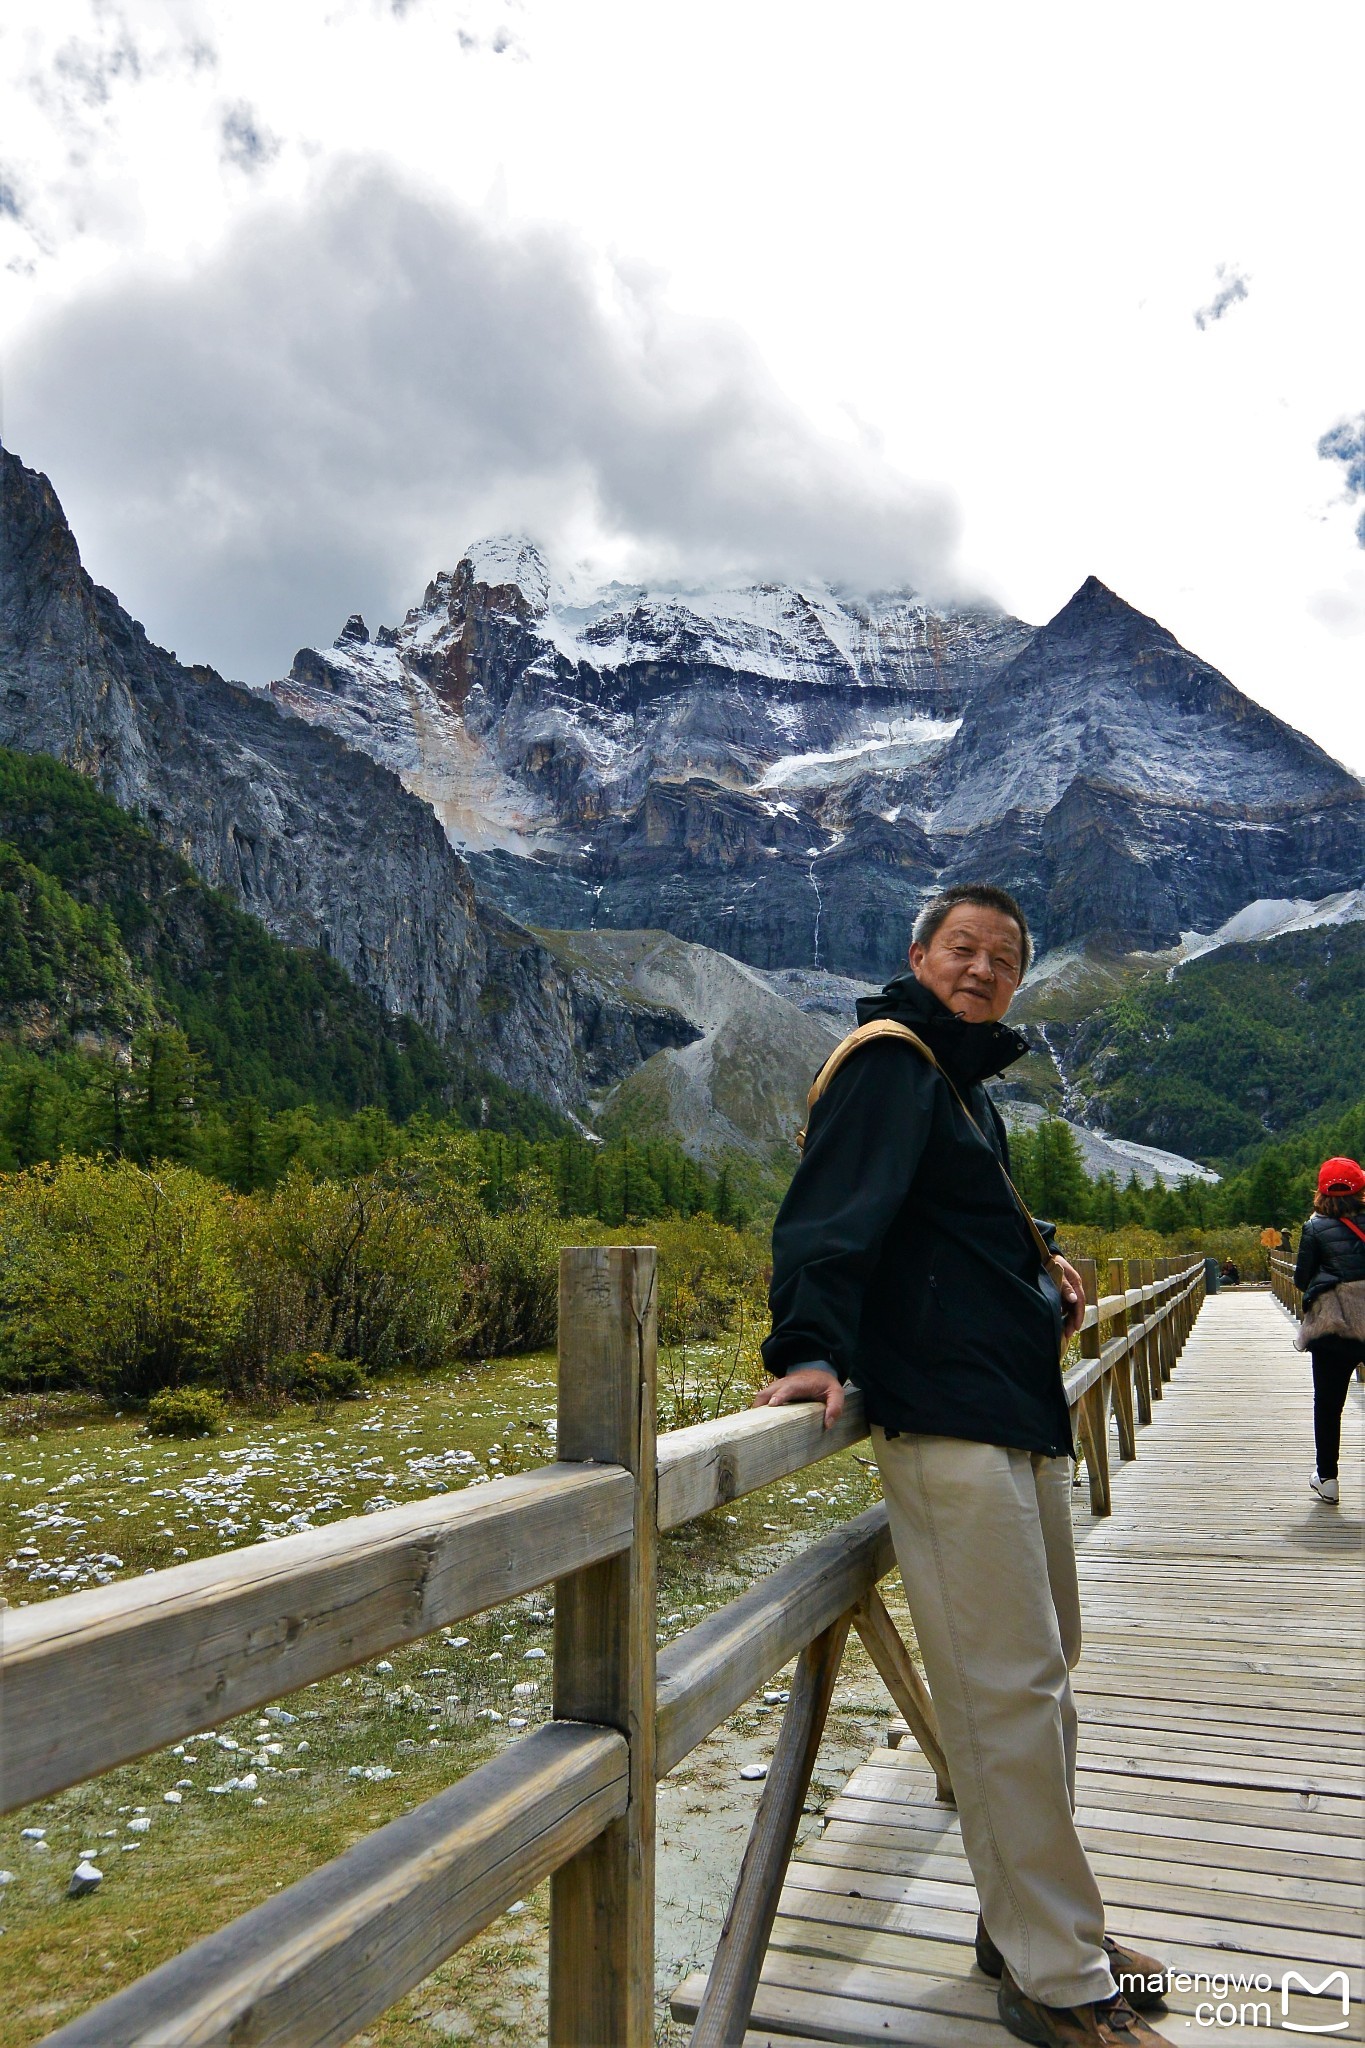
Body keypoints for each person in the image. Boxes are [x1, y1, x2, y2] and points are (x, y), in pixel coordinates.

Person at [755, 883, 1170, 2048]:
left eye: (1005, 957)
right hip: (946, 1422)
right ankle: (1053, 1973)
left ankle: (1030, 1921)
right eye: (964, 949)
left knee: (1041, 1679)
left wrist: (1046, 1284)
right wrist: (807, 1348)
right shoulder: (889, 1060)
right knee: (1008, 1691)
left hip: (1010, 1410)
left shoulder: (960, 1089)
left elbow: (950, 1245)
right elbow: (830, 1217)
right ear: (919, 954)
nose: (984, 968)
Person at [1292, 1158, 1365, 1506]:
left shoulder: (1313, 1227)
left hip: (1334, 1325)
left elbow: (1300, 1279)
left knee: (1329, 1404)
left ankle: (1327, 1478)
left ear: (1321, 1191)